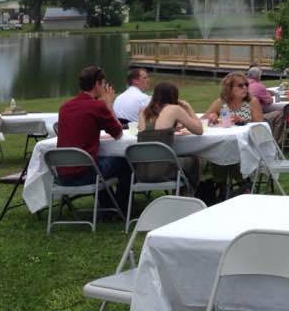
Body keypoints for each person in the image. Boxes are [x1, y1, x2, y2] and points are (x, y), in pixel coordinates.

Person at [56, 65, 130, 211]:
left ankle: (108, 207)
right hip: (85, 173)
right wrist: (108, 104)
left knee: (98, 161)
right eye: (103, 84)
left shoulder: (65, 107)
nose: (104, 87)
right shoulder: (97, 106)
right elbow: (118, 133)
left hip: (62, 174)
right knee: (126, 160)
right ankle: (120, 208)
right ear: (97, 84)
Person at [137, 82, 203, 187]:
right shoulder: (174, 109)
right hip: (164, 170)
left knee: (179, 158)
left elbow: (153, 131)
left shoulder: (143, 111)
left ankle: (181, 191)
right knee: (194, 159)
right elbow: (199, 130)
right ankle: (189, 193)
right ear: (174, 96)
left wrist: (172, 129)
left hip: (142, 171)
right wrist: (188, 108)